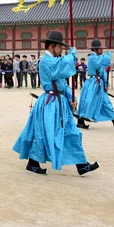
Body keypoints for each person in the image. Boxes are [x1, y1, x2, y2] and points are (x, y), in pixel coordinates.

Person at [13, 31, 99, 176]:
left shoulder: (56, 61)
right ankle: (33, 163)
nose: (61, 50)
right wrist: (71, 55)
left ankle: (81, 164)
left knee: (69, 131)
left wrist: (72, 98)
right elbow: (60, 67)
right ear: (52, 46)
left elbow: (62, 83)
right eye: (60, 47)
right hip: (50, 103)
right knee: (44, 133)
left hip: (59, 102)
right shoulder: (46, 61)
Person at [76, 39, 114, 130]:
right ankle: (80, 121)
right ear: (96, 49)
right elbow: (106, 62)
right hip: (93, 84)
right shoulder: (93, 58)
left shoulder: (98, 58)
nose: (102, 51)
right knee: (87, 102)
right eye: (100, 49)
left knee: (105, 102)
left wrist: (106, 83)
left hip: (98, 83)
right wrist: (109, 53)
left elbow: (103, 71)